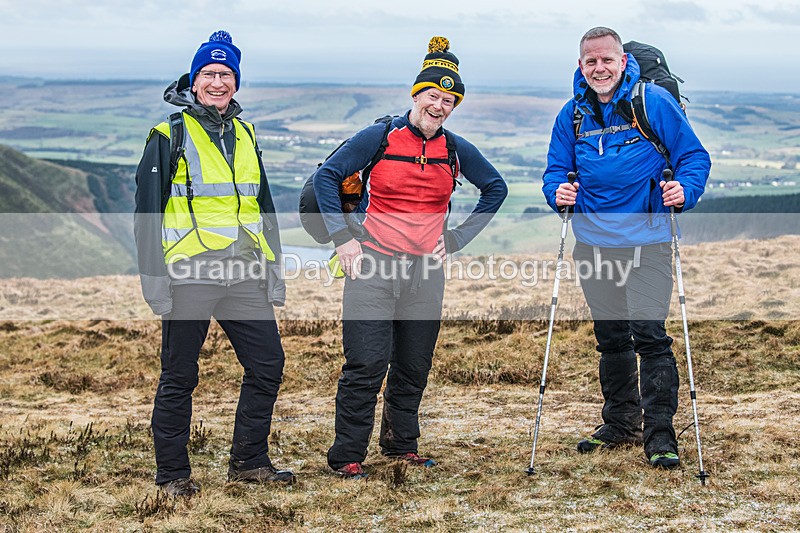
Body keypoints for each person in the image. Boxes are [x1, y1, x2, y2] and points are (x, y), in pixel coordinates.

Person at [314, 36, 508, 478]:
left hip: (427, 272)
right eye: (432, 97)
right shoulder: (381, 137)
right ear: (415, 95)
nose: (439, 106)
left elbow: (496, 188)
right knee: (365, 363)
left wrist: (456, 239)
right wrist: (343, 238)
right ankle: (347, 455)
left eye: (449, 100)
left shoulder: (455, 150)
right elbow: (328, 176)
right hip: (373, 266)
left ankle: (401, 445)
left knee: (414, 365)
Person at [542, 27, 711, 469]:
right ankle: (620, 424)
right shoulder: (573, 115)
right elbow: (557, 169)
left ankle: (660, 437)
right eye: (590, 61)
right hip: (594, 244)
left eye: (607, 60)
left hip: (649, 241)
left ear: (621, 63)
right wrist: (556, 192)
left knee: (651, 338)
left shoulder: (651, 103)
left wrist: (685, 190)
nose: (599, 68)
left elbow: (694, 156)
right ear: (581, 66)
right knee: (611, 339)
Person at [134, 30, 294, 497]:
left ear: (236, 83)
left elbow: (262, 207)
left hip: (243, 271)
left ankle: (249, 461)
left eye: (226, 75)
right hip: (189, 274)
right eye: (209, 74)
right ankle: (172, 476)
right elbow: (146, 213)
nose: (218, 82)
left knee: (267, 364)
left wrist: (274, 269)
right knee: (180, 375)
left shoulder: (245, 133)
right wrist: (153, 280)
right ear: (194, 80)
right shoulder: (169, 134)